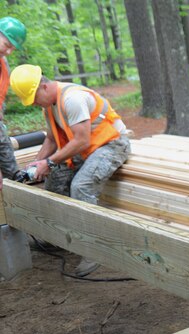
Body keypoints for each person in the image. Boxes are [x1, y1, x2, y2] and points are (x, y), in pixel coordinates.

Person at [9, 64, 131, 276]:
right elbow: (51, 139)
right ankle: (56, 238)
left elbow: (82, 140)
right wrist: (37, 163)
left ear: (44, 87)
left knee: (81, 186)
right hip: (87, 149)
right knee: (55, 183)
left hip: (111, 145)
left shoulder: (72, 99)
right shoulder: (49, 105)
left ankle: (94, 251)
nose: (34, 103)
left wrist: (49, 162)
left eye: (34, 98)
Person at [0, 17, 27, 188]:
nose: (9, 52)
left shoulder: (3, 62)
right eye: (7, 45)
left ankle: (14, 182)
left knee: (3, 142)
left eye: (12, 49)